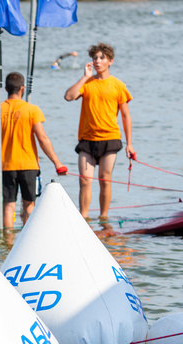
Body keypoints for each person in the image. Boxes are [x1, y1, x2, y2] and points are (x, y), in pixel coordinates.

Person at [64, 42, 135, 219]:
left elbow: (126, 116)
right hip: (87, 140)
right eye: (94, 58)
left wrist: (130, 144)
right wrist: (84, 77)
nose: (97, 61)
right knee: (84, 181)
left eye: (101, 58)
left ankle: (104, 219)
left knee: (105, 180)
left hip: (110, 138)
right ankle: (84, 218)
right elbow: (69, 96)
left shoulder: (118, 85)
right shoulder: (87, 83)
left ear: (110, 61)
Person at [0, 71, 67, 229]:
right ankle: (27, 243)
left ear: (6, 89)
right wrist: (57, 163)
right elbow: (42, 138)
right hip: (29, 166)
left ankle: (8, 246)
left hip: (6, 167)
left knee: (8, 209)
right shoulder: (32, 110)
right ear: (22, 88)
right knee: (29, 206)